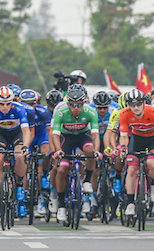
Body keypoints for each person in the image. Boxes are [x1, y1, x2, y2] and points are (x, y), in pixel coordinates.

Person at [114, 88, 154, 218]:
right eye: (132, 105)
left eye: (139, 104)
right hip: (137, 139)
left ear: (144, 103)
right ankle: (130, 203)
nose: (136, 107)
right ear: (128, 105)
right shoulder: (124, 114)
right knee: (132, 169)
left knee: (152, 163)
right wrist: (123, 147)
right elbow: (124, 136)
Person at [0, 85, 33, 217]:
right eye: (2, 104)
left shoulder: (19, 108)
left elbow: (26, 131)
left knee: (19, 156)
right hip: (0, 134)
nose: (5, 107)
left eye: (8, 103)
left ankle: (19, 185)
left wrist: (26, 146)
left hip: (17, 133)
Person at [48, 84, 99, 223]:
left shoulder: (90, 112)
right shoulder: (60, 112)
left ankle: (87, 181)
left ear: (84, 103)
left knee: (90, 151)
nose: (76, 108)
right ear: (68, 104)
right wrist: (58, 150)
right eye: (73, 105)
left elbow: (95, 135)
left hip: (83, 136)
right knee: (62, 169)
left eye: (79, 104)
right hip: (66, 138)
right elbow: (55, 135)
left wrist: (96, 151)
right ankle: (61, 206)